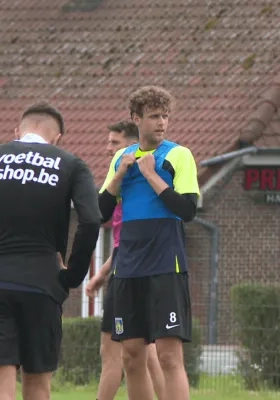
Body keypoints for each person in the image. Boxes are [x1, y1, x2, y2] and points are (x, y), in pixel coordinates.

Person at [98, 86, 199, 400]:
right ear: (136, 119)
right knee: (130, 355)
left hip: (165, 265)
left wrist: (152, 176)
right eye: (155, 116)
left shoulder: (178, 155)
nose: (162, 123)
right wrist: (119, 176)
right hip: (128, 268)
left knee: (169, 356)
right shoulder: (120, 158)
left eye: (165, 116)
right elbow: (100, 211)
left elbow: (188, 210)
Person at [0, 102, 101, 400]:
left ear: (17, 131)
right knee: (38, 383)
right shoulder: (70, 164)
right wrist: (72, 275)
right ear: (57, 138)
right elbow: (92, 219)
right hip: (43, 283)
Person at [86, 120, 166, 400]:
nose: (108, 149)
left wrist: (106, 273)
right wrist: (102, 273)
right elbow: (122, 243)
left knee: (114, 352)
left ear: (131, 146)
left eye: (114, 143)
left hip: (132, 275)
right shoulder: (124, 185)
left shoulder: (127, 188)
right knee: (146, 354)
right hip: (129, 268)